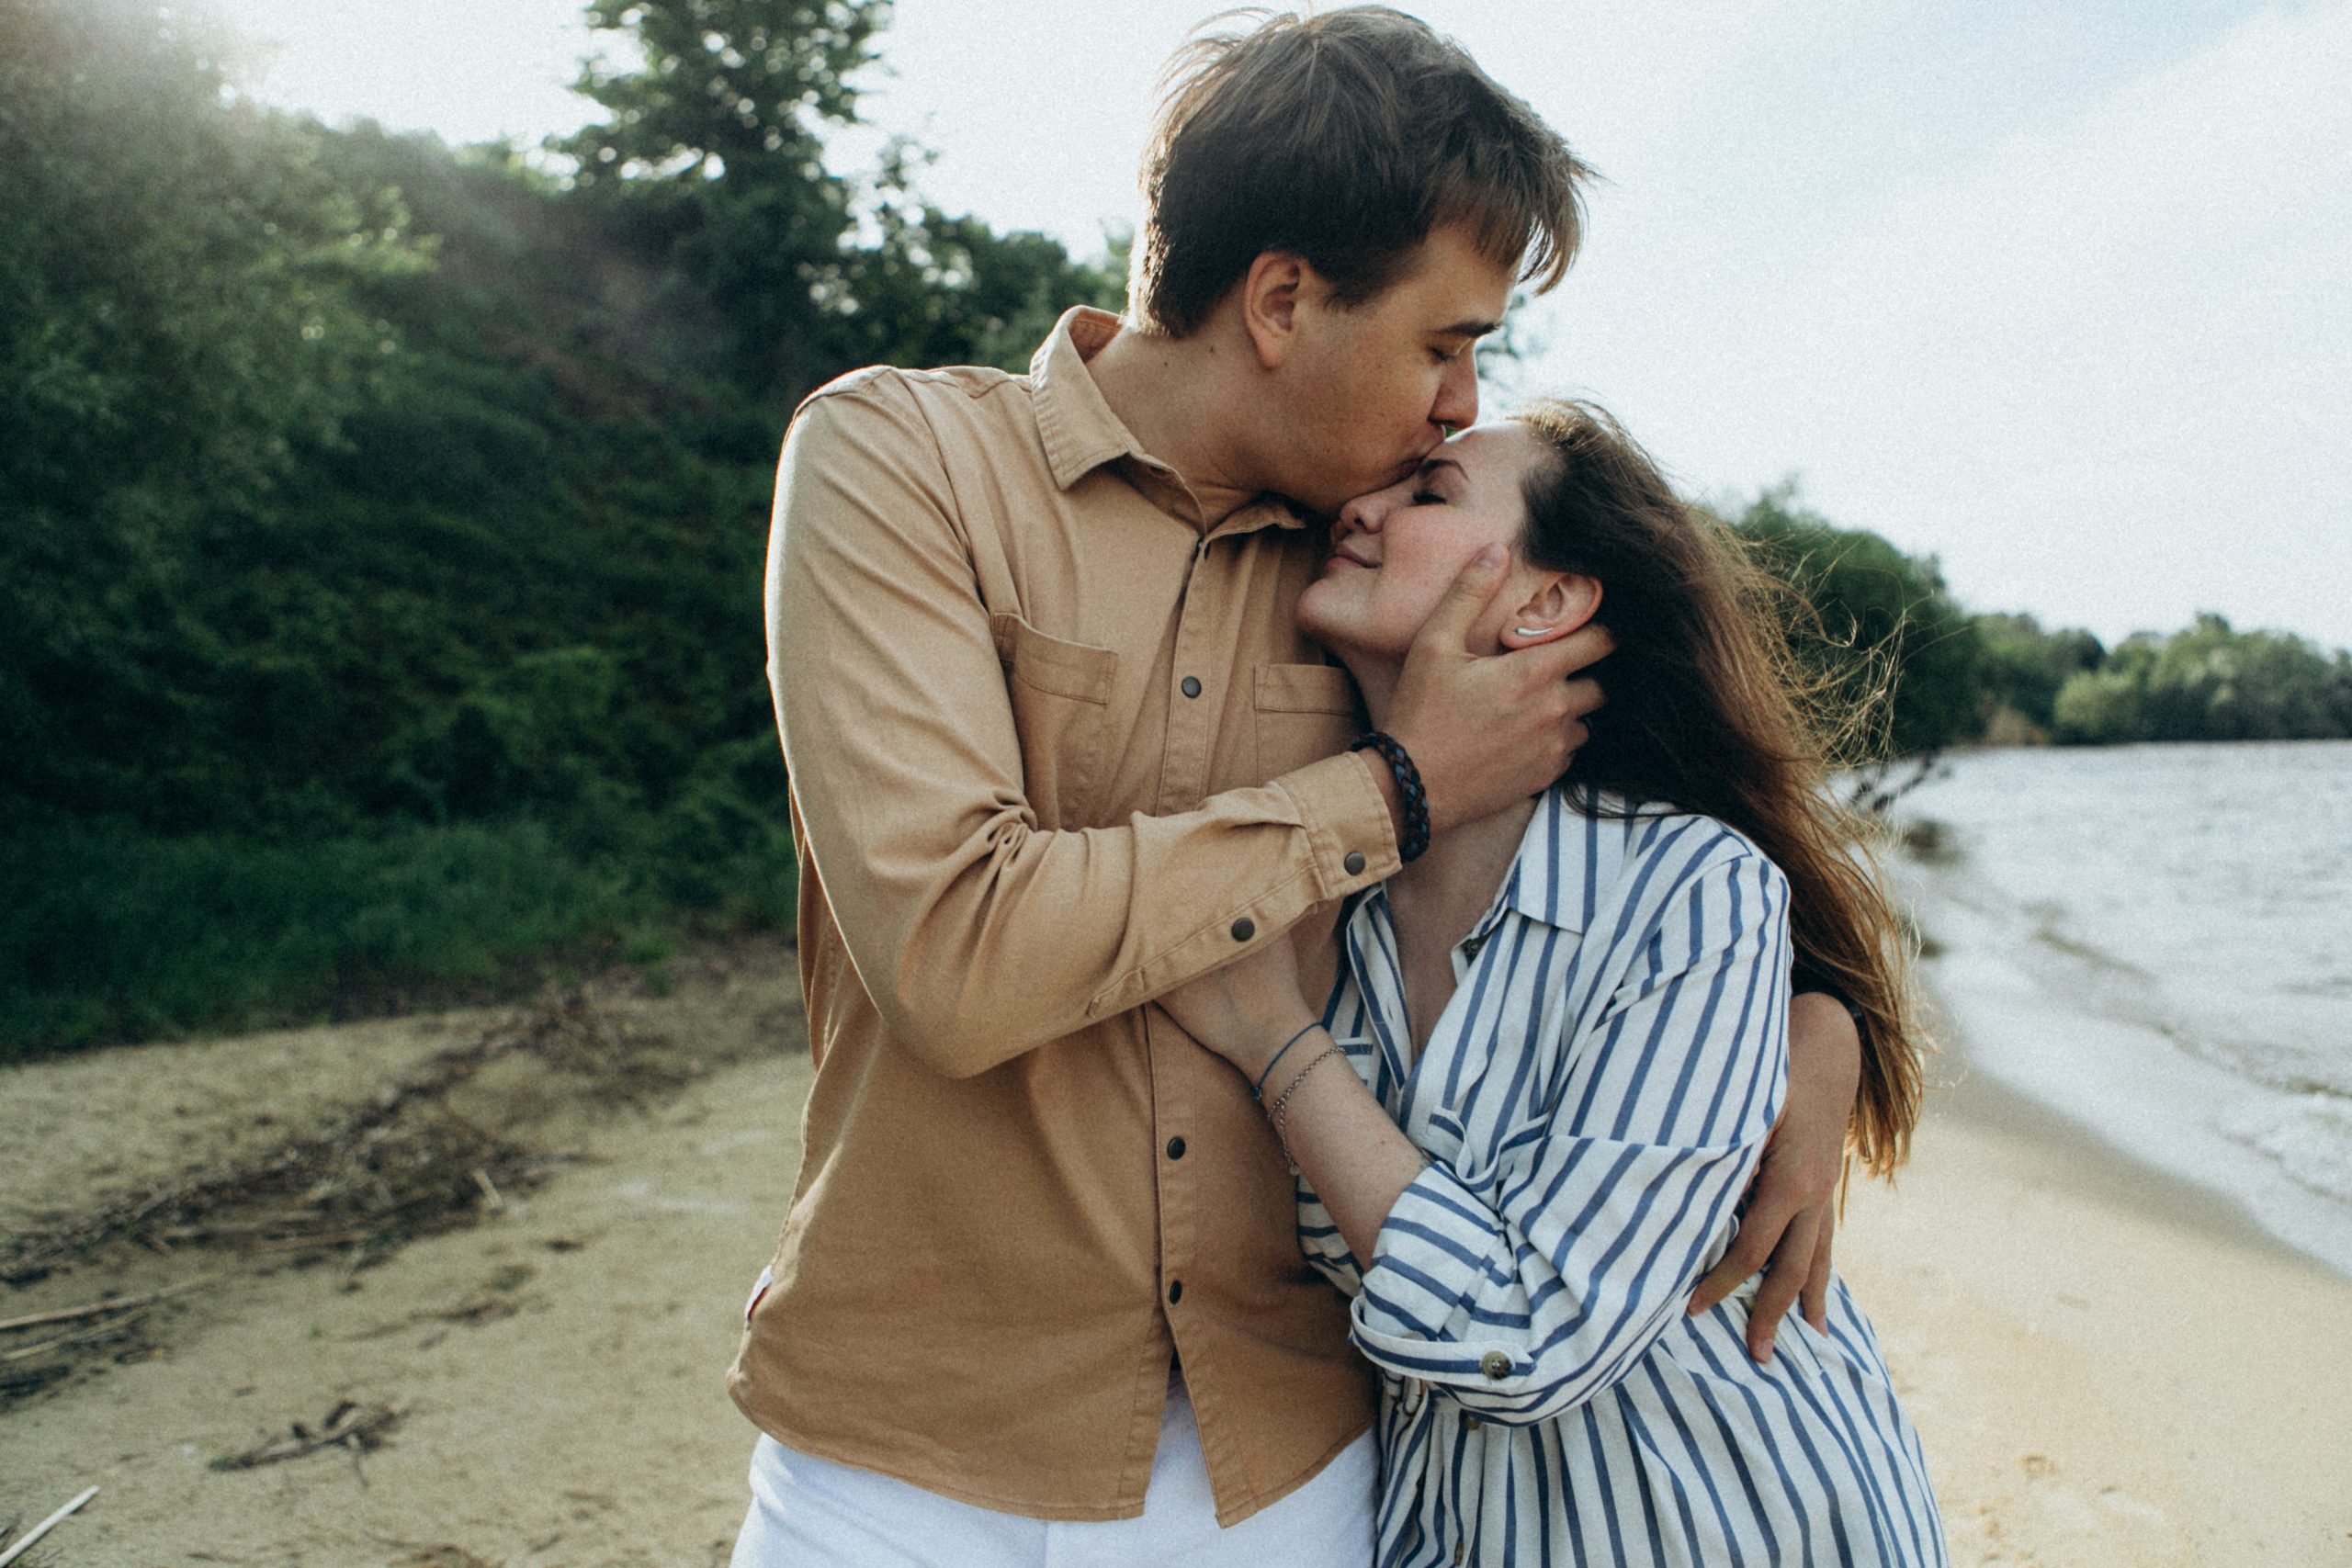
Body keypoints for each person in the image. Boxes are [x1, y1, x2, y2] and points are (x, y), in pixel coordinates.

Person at [731, 10, 1865, 1563]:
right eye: (1444, 343)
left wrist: (1819, 1028)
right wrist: (1393, 788)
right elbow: (950, 950)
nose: (1460, 399)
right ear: (1281, 301)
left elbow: (1627, 823)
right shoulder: (905, 461)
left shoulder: (1376, 570)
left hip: (1286, 1463)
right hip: (901, 1452)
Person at [1156, 400, 1946, 1566]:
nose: (1358, 509)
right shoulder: (1309, 903)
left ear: (1545, 603)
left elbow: (1532, 1336)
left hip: (1737, 1525)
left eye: (1427, 493)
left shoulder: (1686, 888)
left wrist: (1278, 1044)